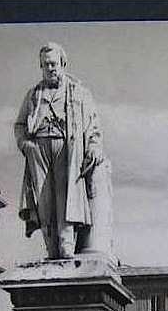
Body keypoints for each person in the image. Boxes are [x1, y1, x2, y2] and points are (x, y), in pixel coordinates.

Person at [14, 42, 111, 259]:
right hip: (38, 149)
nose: (50, 69)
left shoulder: (79, 92)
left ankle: (67, 245)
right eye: (45, 65)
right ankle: (51, 250)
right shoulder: (33, 95)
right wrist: (24, 144)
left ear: (63, 64)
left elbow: (94, 128)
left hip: (68, 150)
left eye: (54, 64)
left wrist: (93, 148)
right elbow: (20, 125)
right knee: (43, 201)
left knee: (67, 198)